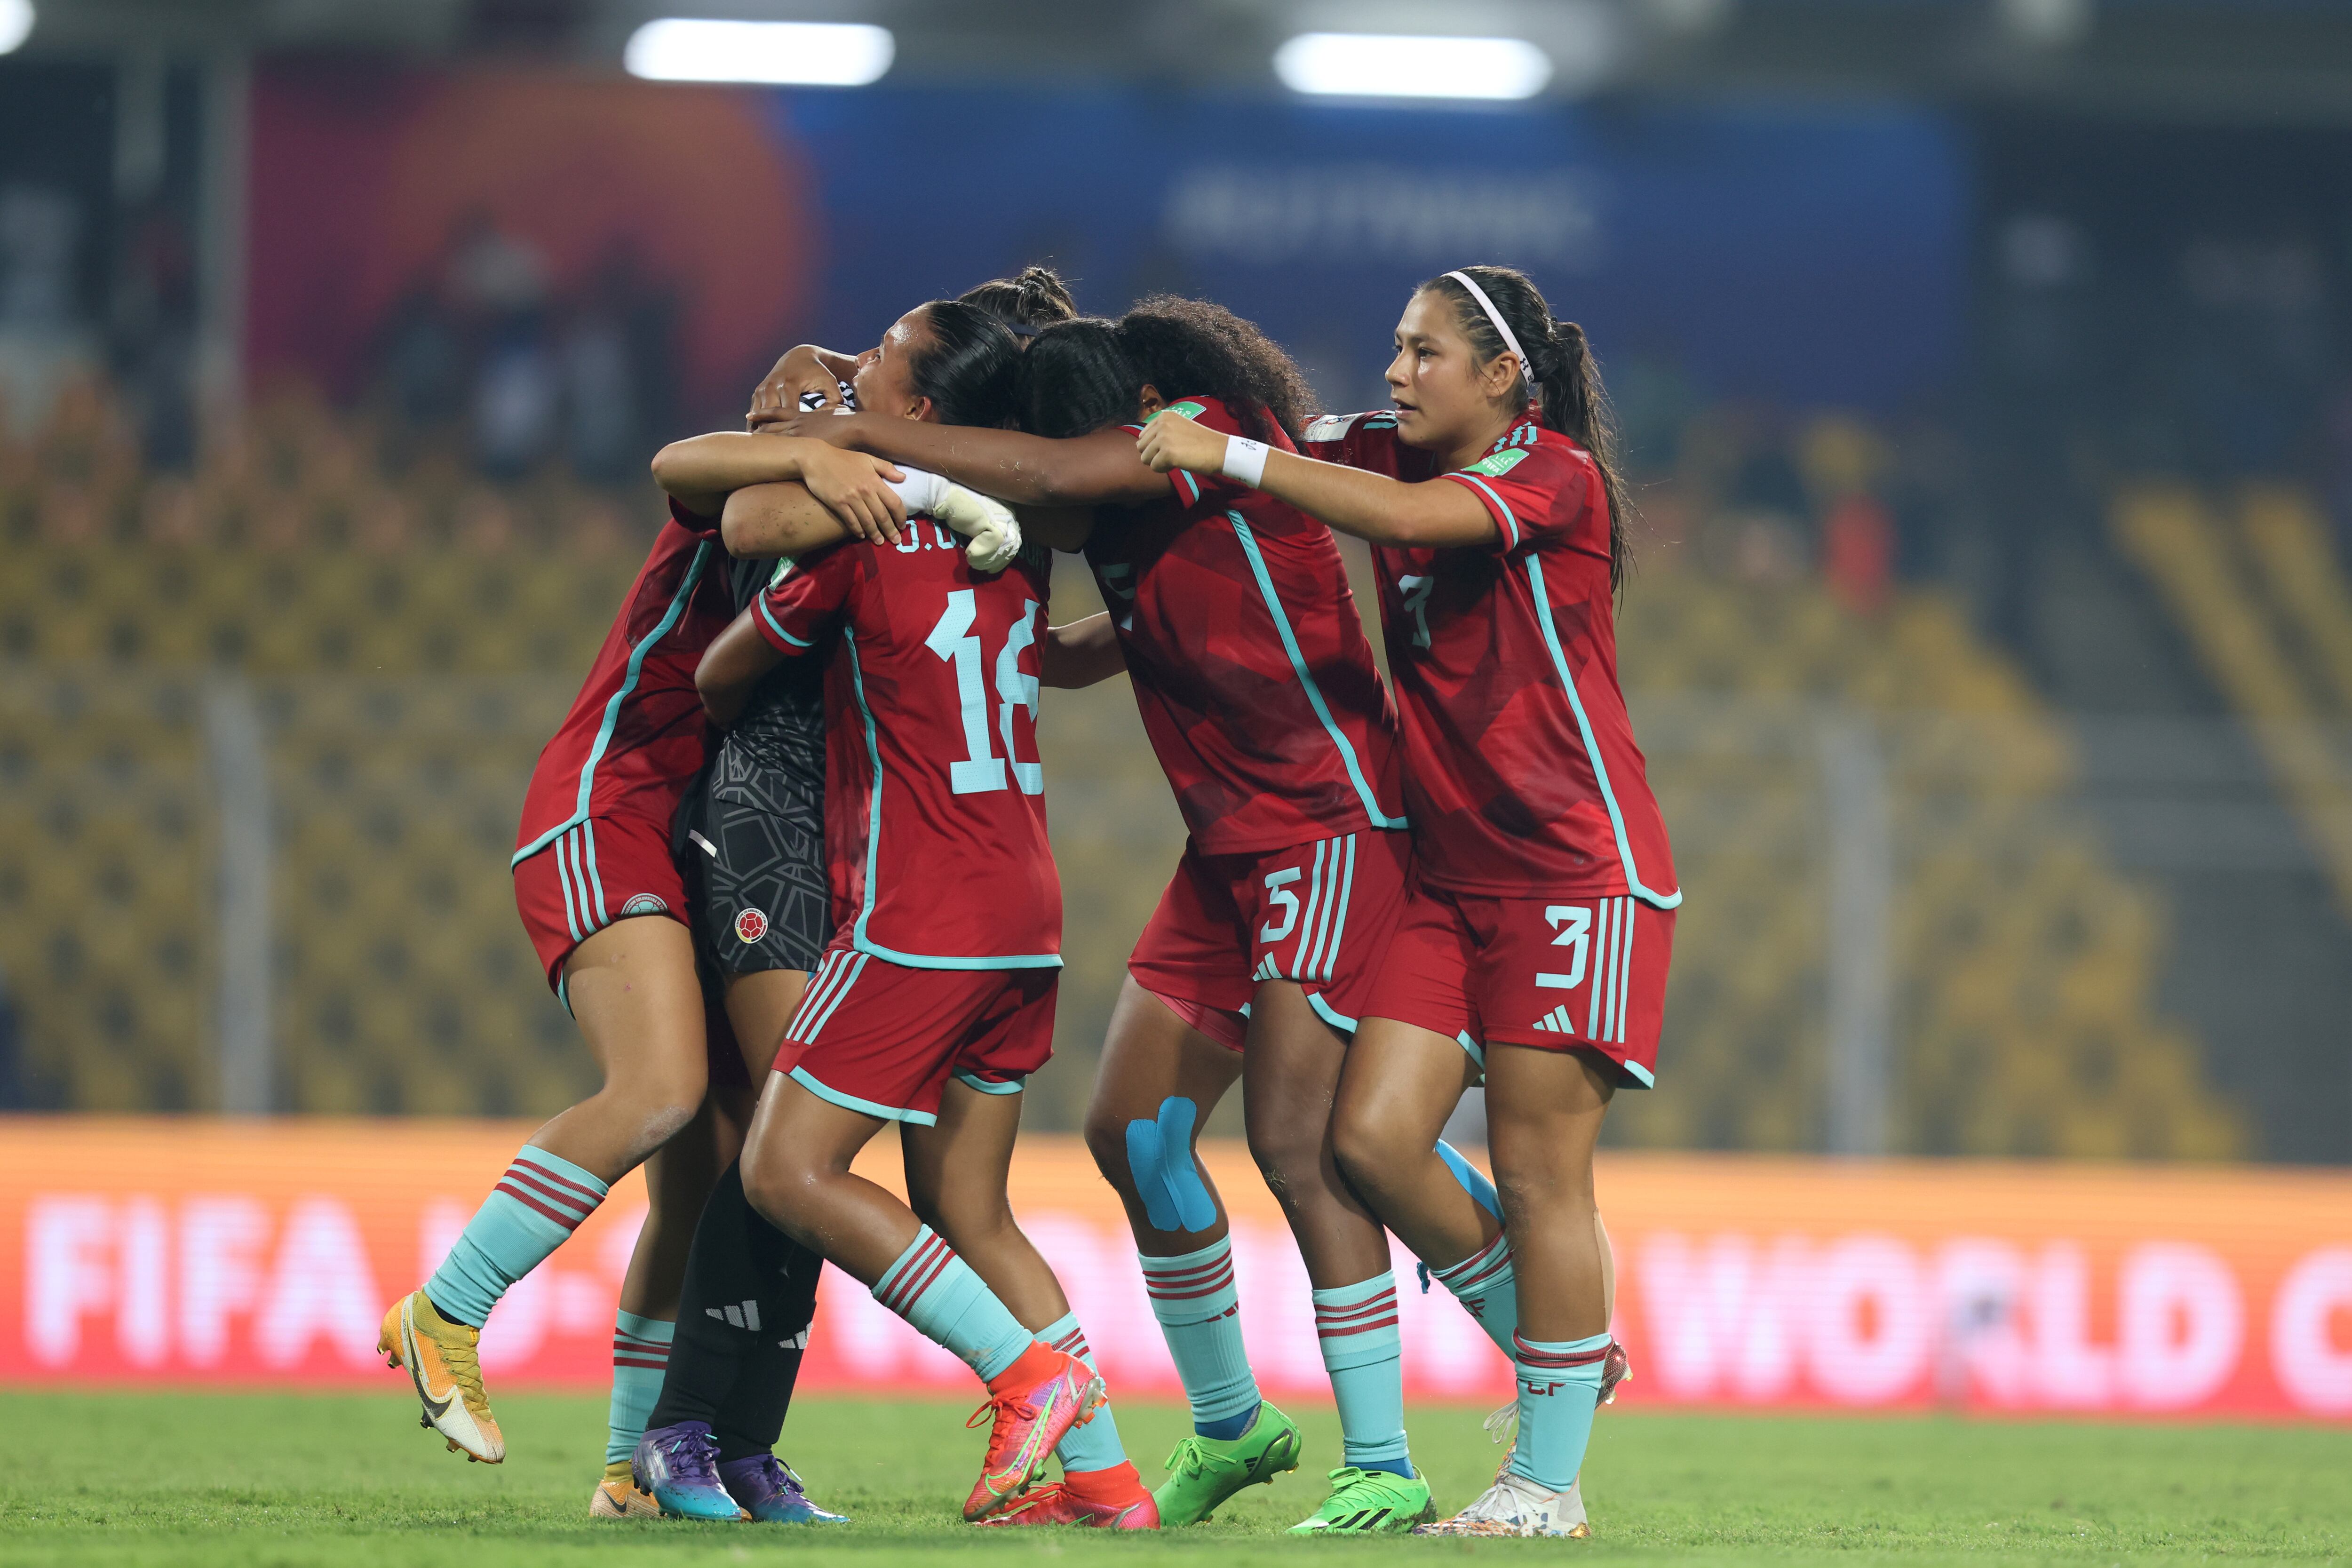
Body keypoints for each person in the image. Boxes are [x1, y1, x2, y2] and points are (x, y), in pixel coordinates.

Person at [772, 298, 1484, 1535]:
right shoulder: (1129, 492)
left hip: (1329, 828)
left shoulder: (1203, 426)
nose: (1048, 490)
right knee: (1134, 1132)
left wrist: (866, 441)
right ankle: (1233, 1424)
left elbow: (1050, 475)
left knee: (1298, 1145)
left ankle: (1383, 1461)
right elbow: (1126, 599)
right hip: (1226, 852)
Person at [1137, 265, 1676, 1538]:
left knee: (1539, 1172)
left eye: (1425, 351)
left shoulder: (1555, 475)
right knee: (1368, 1139)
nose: (1396, 371)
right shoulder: (1386, 445)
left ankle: (1545, 1484)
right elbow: (1295, 439)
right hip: (1449, 879)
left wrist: (1230, 454)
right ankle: (1558, 1343)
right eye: (1394, 346)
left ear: (1502, 377)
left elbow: (1393, 514)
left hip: (1571, 871)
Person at [374, 352, 910, 1489]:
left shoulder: (839, 531)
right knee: (659, 1088)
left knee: (702, 1169)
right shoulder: (748, 492)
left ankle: (630, 1467)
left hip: (694, 834)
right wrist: (821, 456)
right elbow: (682, 460)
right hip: (607, 800)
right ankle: (447, 1309)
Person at [685, 296, 1158, 1530]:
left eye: (882, 361)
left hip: (919, 905)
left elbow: (723, 655)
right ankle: (1108, 1481)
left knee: (786, 1167)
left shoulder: (869, 527)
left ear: (924, 408)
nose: (859, 371)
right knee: (971, 1206)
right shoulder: (1023, 539)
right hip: (1026, 911)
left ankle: (1026, 1373)